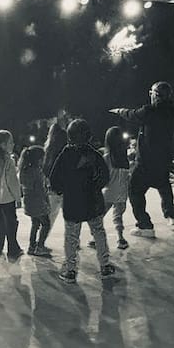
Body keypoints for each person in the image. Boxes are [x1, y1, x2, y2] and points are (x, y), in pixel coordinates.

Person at [48, 118, 115, 283]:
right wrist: (94, 186)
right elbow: (105, 177)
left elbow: (54, 179)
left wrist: (63, 189)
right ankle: (105, 266)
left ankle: (71, 270)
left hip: (73, 202)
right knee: (98, 232)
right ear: (89, 136)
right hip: (93, 201)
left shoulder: (65, 155)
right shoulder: (94, 154)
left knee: (71, 237)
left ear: (69, 136)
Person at [110, 81, 174, 237]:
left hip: (146, 163)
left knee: (134, 190)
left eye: (152, 93)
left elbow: (132, 114)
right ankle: (171, 214)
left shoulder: (150, 111)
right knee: (164, 185)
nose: (150, 96)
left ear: (156, 96)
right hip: (164, 160)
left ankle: (145, 225)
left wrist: (119, 111)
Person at [0, 130, 23, 261]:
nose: (13, 144)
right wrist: (18, 198)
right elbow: (12, 182)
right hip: (7, 199)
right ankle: (13, 250)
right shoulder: (8, 161)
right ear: (3, 144)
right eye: (10, 142)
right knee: (11, 225)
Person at [18, 144, 51, 256]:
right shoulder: (37, 171)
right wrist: (46, 201)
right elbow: (40, 190)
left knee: (35, 224)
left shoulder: (24, 170)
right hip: (38, 202)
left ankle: (32, 246)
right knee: (46, 224)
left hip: (28, 202)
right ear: (38, 159)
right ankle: (40, 246)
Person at [103, 126, 130, 250]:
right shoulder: (124, 158)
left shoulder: (107, 158)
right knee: (118, 217)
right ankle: (120, 239)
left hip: (109, 192)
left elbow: (103, 177)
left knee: (98, 216)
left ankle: (96, 238)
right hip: (122, 193)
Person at [43, 111, 69, 224]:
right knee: (71, 219)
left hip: (52, 187)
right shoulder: (66, 152)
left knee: (50, 218)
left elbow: (45, 170)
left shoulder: (48, 151)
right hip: (66, 187)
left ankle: (42, 235)